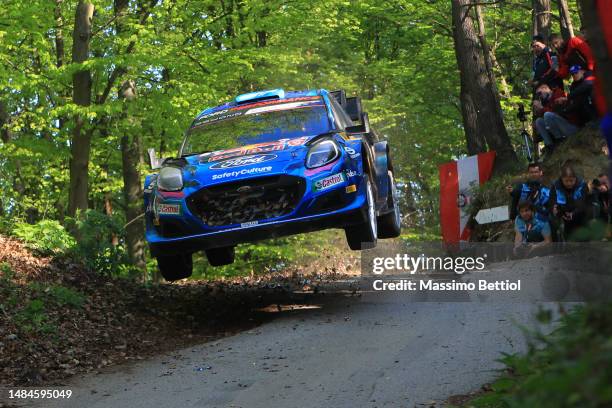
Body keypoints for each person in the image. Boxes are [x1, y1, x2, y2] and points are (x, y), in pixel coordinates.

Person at [549, 164, 589, 240]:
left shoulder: (582, 185)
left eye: (571, 181)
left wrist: (573, 213)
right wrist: (556, 211)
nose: (569, 183)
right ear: (562, 179)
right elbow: (552, 202)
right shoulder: (555, 186)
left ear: (575, 178)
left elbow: (584, 202)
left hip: (579, 213)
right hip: (563, 214)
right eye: (566, 181)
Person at [532, 84, 576, 153]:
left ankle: (559, 140)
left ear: (545, 89)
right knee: (538, 121)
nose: (540, 96)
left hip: (570, 127)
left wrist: (542, 108)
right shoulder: (547, 101)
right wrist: (537, 110)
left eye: (540, 93)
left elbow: (557, 112)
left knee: (547, 115)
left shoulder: (558, 93)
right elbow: (545, 116)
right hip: (562, 128)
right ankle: (550, 145)